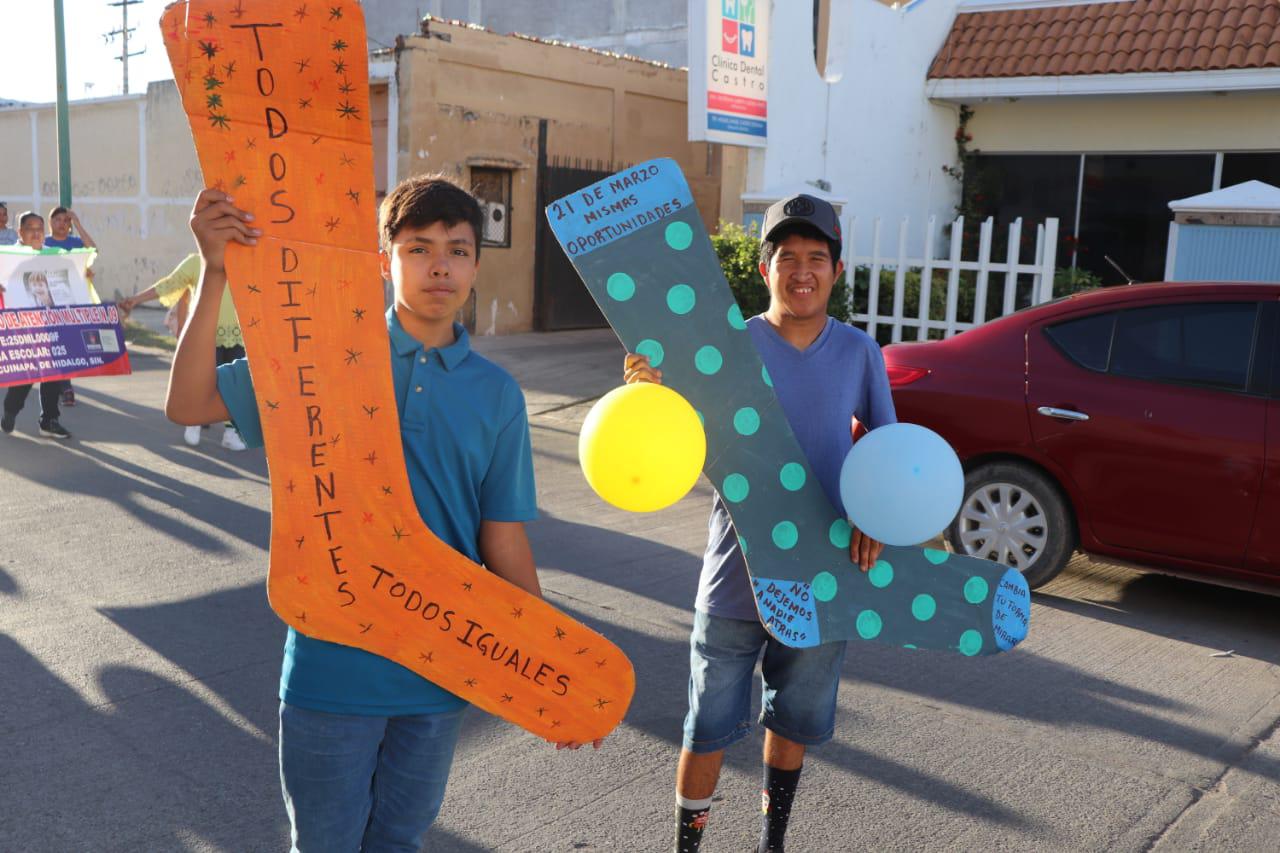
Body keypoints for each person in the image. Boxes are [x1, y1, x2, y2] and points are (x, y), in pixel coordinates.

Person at [166, 176, 595, 850]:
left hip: (440, 669)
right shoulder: (323, 358)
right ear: (383, 260)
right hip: (329, 667)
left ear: (476, 266)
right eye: (418, 248)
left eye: (457, 249)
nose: (439, 266)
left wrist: (546, 675)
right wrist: (215, 269)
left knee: (399, 840)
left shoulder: (498, 395)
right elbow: (188, 403)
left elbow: (503, 540)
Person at [624, 194, 897, 853]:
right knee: (706, 725)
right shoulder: (730, 345)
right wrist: (644, 388)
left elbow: (887, 450)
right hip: (731, 575)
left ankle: (770, 841)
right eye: (785, 257)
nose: (800, 270)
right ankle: (687, 845)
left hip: (824, 575)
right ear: (764, 266)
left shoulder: (860, 352)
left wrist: (874, 513)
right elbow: (672, 425)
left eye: (815, 258)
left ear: (836, 270)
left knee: (793, 717)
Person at [119, 253, 246, 450]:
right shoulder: (197, 262)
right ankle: (194, 421)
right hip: (204, 333)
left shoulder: (242, 260)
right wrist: (136, 299)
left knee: (234, 384)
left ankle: (231, 431)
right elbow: (169, 284)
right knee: (202, 381)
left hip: (238, 334)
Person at [1, 212, 71, 440]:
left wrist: (83, 274)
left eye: (40, 227)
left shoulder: (54, 255)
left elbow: (71, 280)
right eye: (30, 227)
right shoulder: (7, 256)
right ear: (19, 232)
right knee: (26, 376)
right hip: (22, 328)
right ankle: (11, 410)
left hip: (51, 325)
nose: (36, 231)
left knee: (53, 373)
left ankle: (49, 420)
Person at [44, 207, 96, 407]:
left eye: (66, 221)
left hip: (70, 303)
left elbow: (93, 250)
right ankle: (63, 386)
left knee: (66, 346)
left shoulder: (74, 243)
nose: (62, 224)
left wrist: (78, 223)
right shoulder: (44, 243)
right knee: (55, 346)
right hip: (49, 303)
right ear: (50, 223)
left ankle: (63, 385)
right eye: (57, 220)